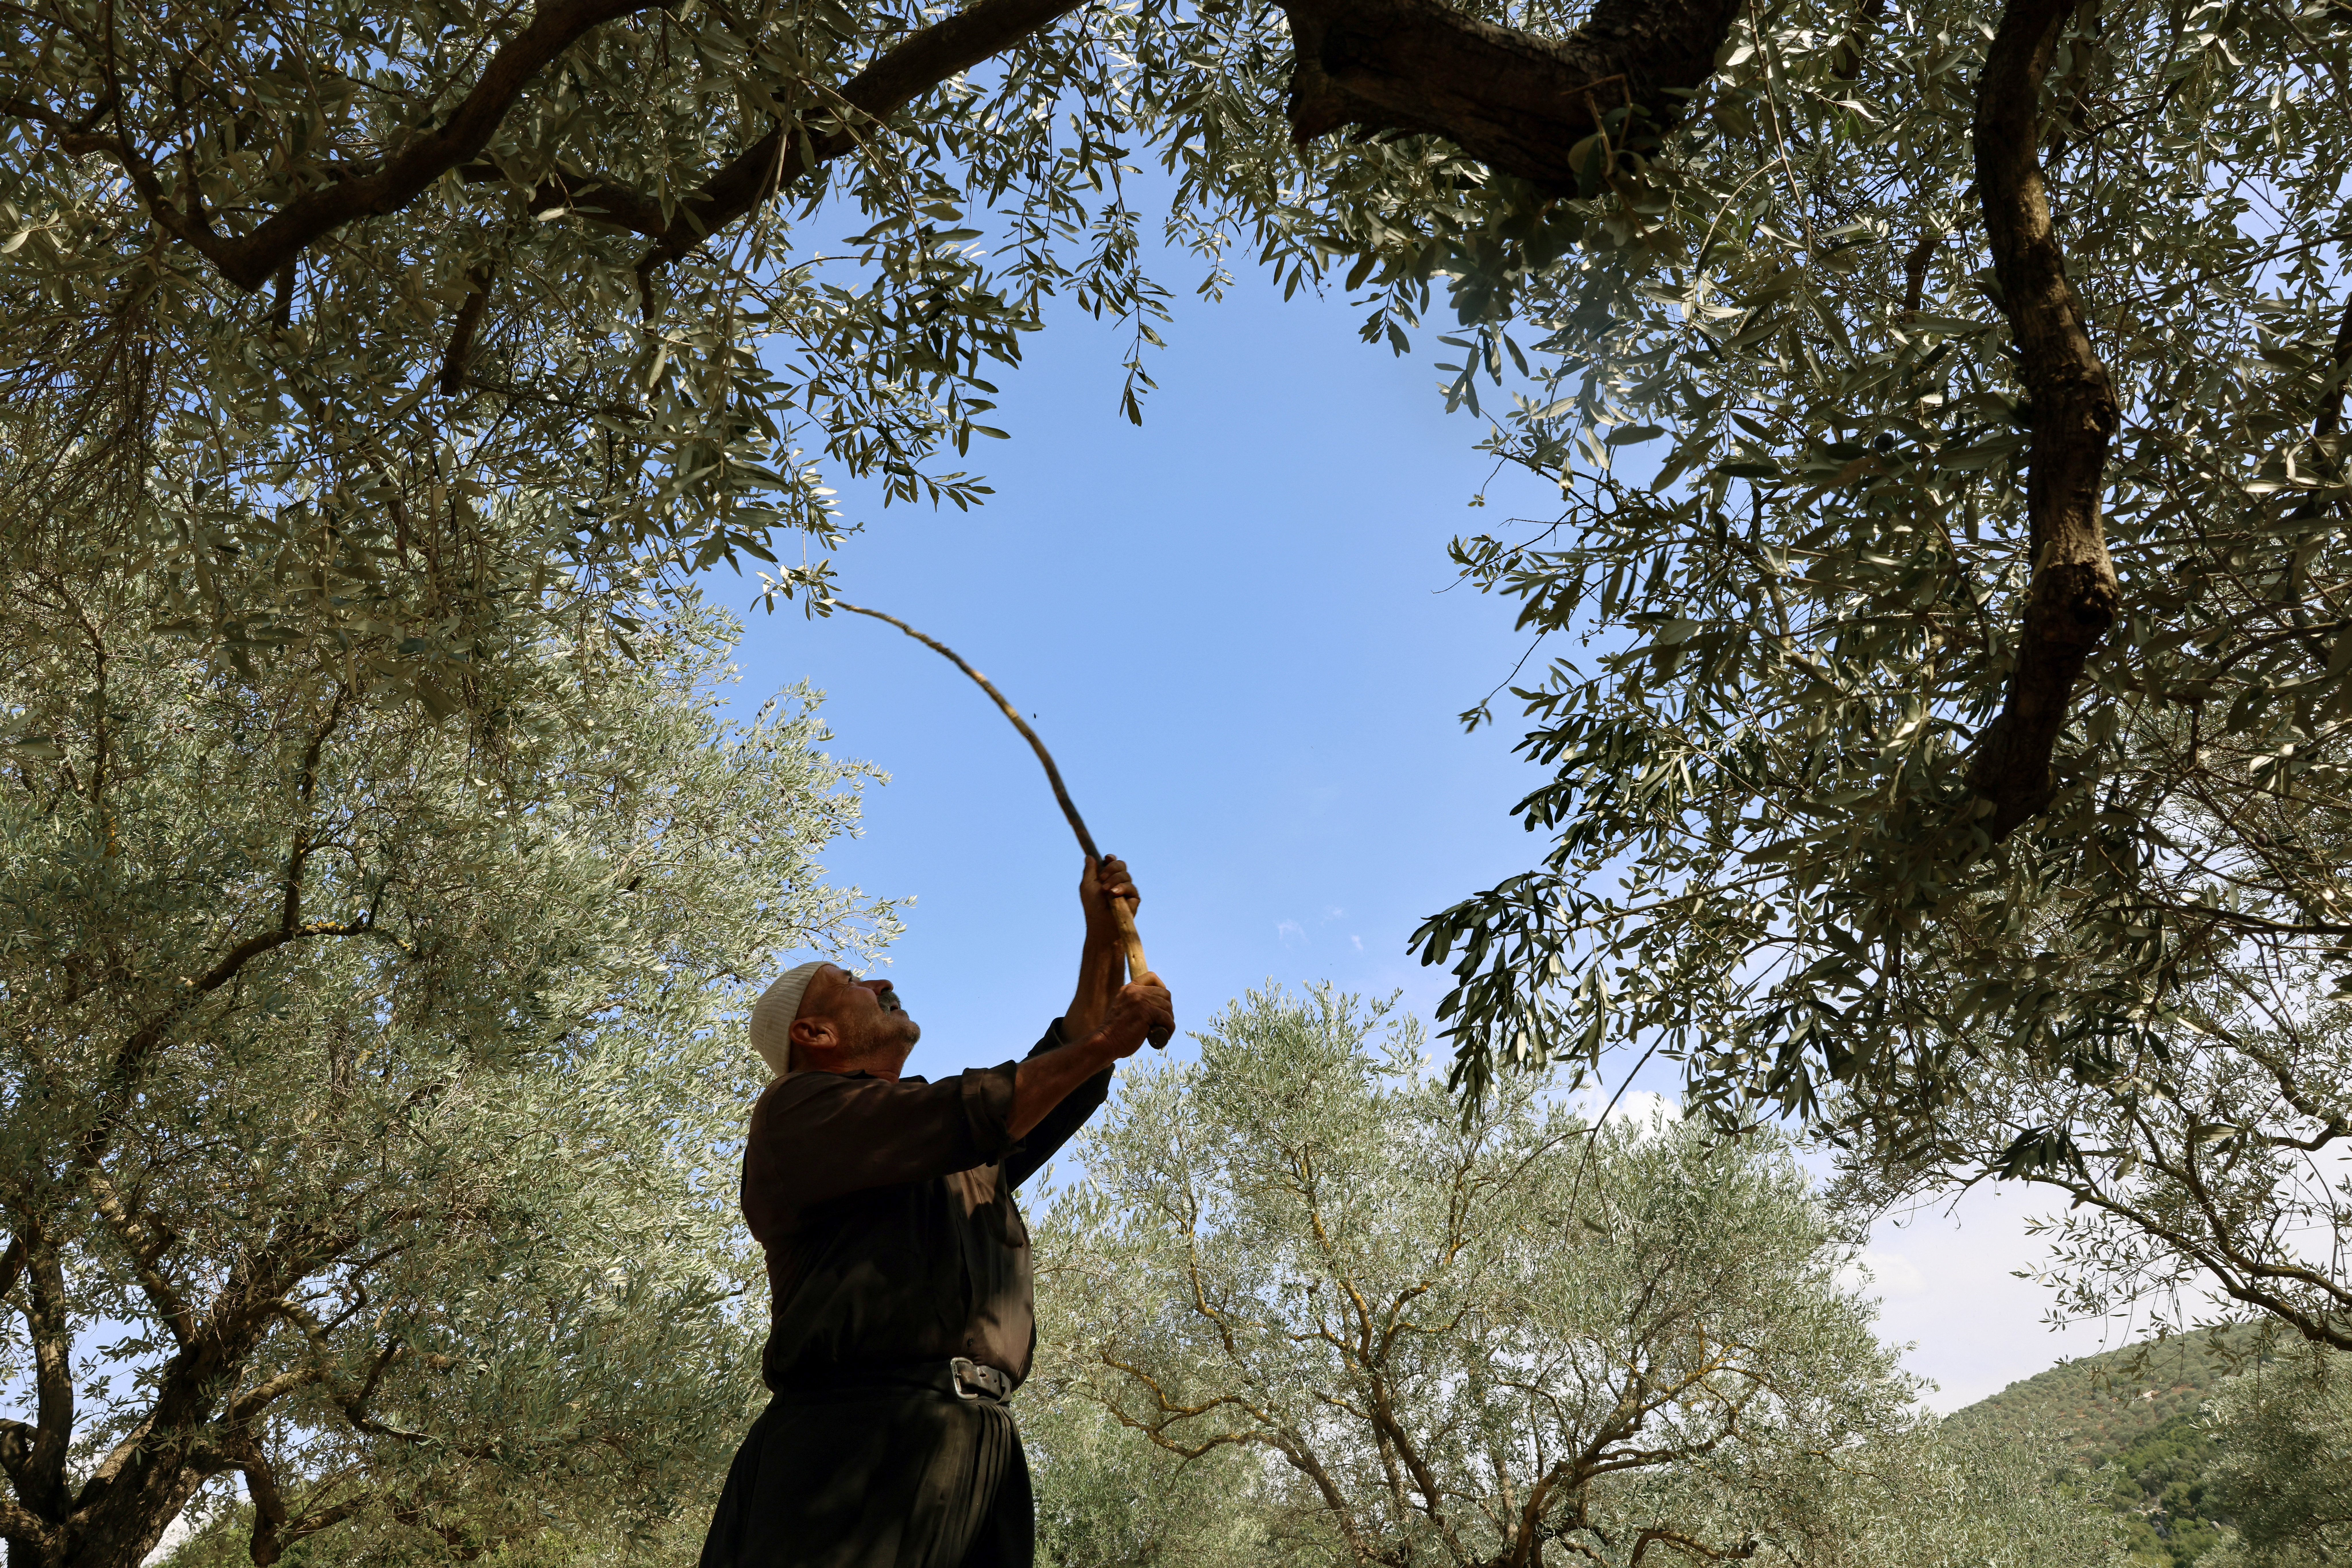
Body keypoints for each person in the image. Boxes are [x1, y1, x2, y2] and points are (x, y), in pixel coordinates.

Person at [697, 855, 1175, 1568]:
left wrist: (1101, 934)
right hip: (859, 1443)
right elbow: (991, 1104)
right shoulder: (797, 1114)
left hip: (981, 1444)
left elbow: (1052, 1073)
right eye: (852, 983)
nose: (882, 980)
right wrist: (1112, 1038)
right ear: (815, 1035)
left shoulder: (935, 1149)